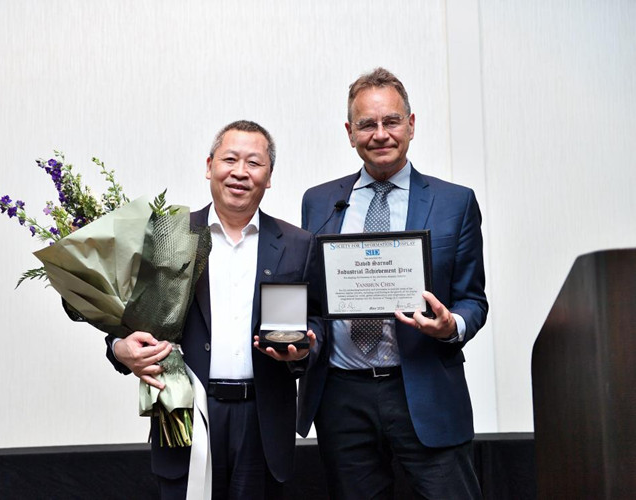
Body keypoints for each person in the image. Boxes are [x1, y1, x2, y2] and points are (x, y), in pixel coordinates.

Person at [297, 68, 488, 499]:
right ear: (350, 133)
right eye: (367, 124)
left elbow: (473, 299)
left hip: (424, 389)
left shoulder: (454, 202)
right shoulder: (319, 201)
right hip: (342, 397)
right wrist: (305, 335)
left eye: (392, 121)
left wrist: (451, 326)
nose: (380, 134)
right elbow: (314, 301)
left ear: (411, 125)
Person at [105, 120, 320, 500]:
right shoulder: (168, 236)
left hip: (262, 419)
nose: (240, 172)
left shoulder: (297, 243)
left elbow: (318, 320)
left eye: (254, 163)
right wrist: (119, 348)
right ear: (209, 166)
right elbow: (128, 318)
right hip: (186, 413)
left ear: (269, 177)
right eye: (230, 159)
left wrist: (303, 350)